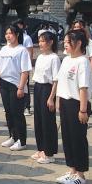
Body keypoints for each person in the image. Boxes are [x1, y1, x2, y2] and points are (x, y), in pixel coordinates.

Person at [55, 29, 92, 184]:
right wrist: (59, 100)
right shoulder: (66, 60)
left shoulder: (83, 62)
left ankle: (81, 175)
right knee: (67, 138)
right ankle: (72, 170)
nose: (65, 44)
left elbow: (83, 87)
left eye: (68, 42)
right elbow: (61, 82)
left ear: (78, 43)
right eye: (64, 42)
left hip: (77, 104)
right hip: (65, 102)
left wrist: (83, 110)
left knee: (78, 139)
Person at [0, 24, 32, 151]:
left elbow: (25, 71)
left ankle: (22, 140)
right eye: (6, 33)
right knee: (8, 112)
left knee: (17, 113)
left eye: (10, 33)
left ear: (17, 35)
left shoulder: (22, 50)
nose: (8, 36)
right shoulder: (4, 49)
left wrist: (21, 87)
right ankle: (13, 136)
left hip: (16, 84)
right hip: (4, 83)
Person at [31, 30, 61, 164]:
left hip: (47, 90)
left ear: (51, 42)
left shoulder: (54, 58)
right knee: (38, 120)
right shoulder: (40, 57)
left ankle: (49, 153)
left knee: (47, 121)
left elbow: (56, 80)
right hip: (38, 88)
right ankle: (41, 149)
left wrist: (51, 98)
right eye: (40, 41)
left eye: (43, 41)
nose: (40, 43)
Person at [16, 18, 35, 116]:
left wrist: (28, 66)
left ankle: (27, 107)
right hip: (15, 68)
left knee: (25, 87)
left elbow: (30, 52)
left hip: (24, 67)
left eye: (19, 25)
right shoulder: (13, 38)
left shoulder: (26, 38)